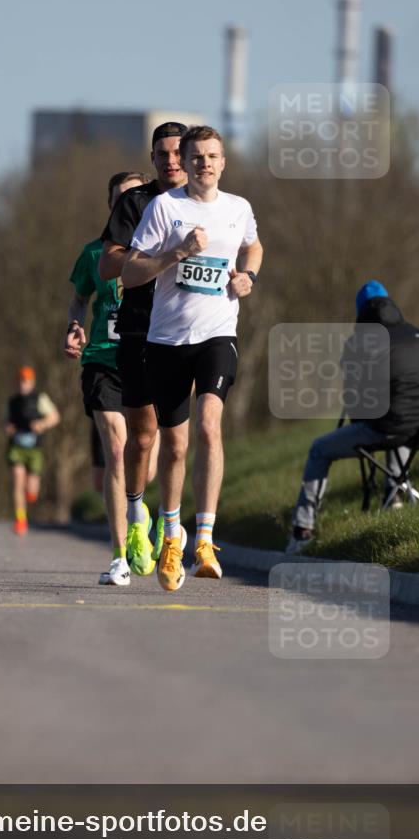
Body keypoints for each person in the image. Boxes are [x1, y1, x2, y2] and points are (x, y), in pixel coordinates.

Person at [123, 125, 263, 591]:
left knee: (209, 424)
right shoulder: (167, 208)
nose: (205, 163)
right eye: (197, 156)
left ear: (224, 162)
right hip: (166, 341)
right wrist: (178, 252)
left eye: (213, 156)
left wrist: (249, 277)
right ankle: (170, 537)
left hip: (217, 334)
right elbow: (130, 272)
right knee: (176, 445)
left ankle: (204, 538)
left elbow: (253, 245)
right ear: (185, 161)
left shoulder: (238, 209)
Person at [286, 281, 419, 553]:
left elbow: (356, 406)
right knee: (401, 423)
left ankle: (302, 531)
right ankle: (394, 496)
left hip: (389, 429)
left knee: (319, 450)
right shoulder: (416, 333)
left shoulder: (358, 343)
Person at [98, 122, 188, 576]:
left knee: (181, 436)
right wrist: (148, 253)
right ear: (152, 159)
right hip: (138, 328)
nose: (171, 160)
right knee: (144, 435)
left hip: (190, 330)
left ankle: (176, 527)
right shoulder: (136, 203)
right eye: (162, 154)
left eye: (178, 152)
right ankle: (137, 514)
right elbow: (106, 262)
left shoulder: (211, 204)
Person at [65, 170, 150, 585]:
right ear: (111, 206)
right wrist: (74, 326)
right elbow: (79, 298)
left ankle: (140, 509)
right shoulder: (93, 253)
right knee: (116, 452)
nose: (130, 206)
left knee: (143, 458)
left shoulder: (161, 247)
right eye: (122, 200)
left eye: (137, 198)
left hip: (149, 359)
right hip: (102, 360)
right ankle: (119, 555)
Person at [4, 366, 60, 535]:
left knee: (31, 487)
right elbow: (5, 421)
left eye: (27, 381)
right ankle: (20, 520)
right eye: (21, 381)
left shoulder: (40, 399)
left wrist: (41, 425)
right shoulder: (12, 402)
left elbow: (55, 417)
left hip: (35, 448)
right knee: (18, 480)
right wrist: (8, 427)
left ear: (32, 382)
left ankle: (31, 494)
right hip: (17, 447)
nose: (23, 385)